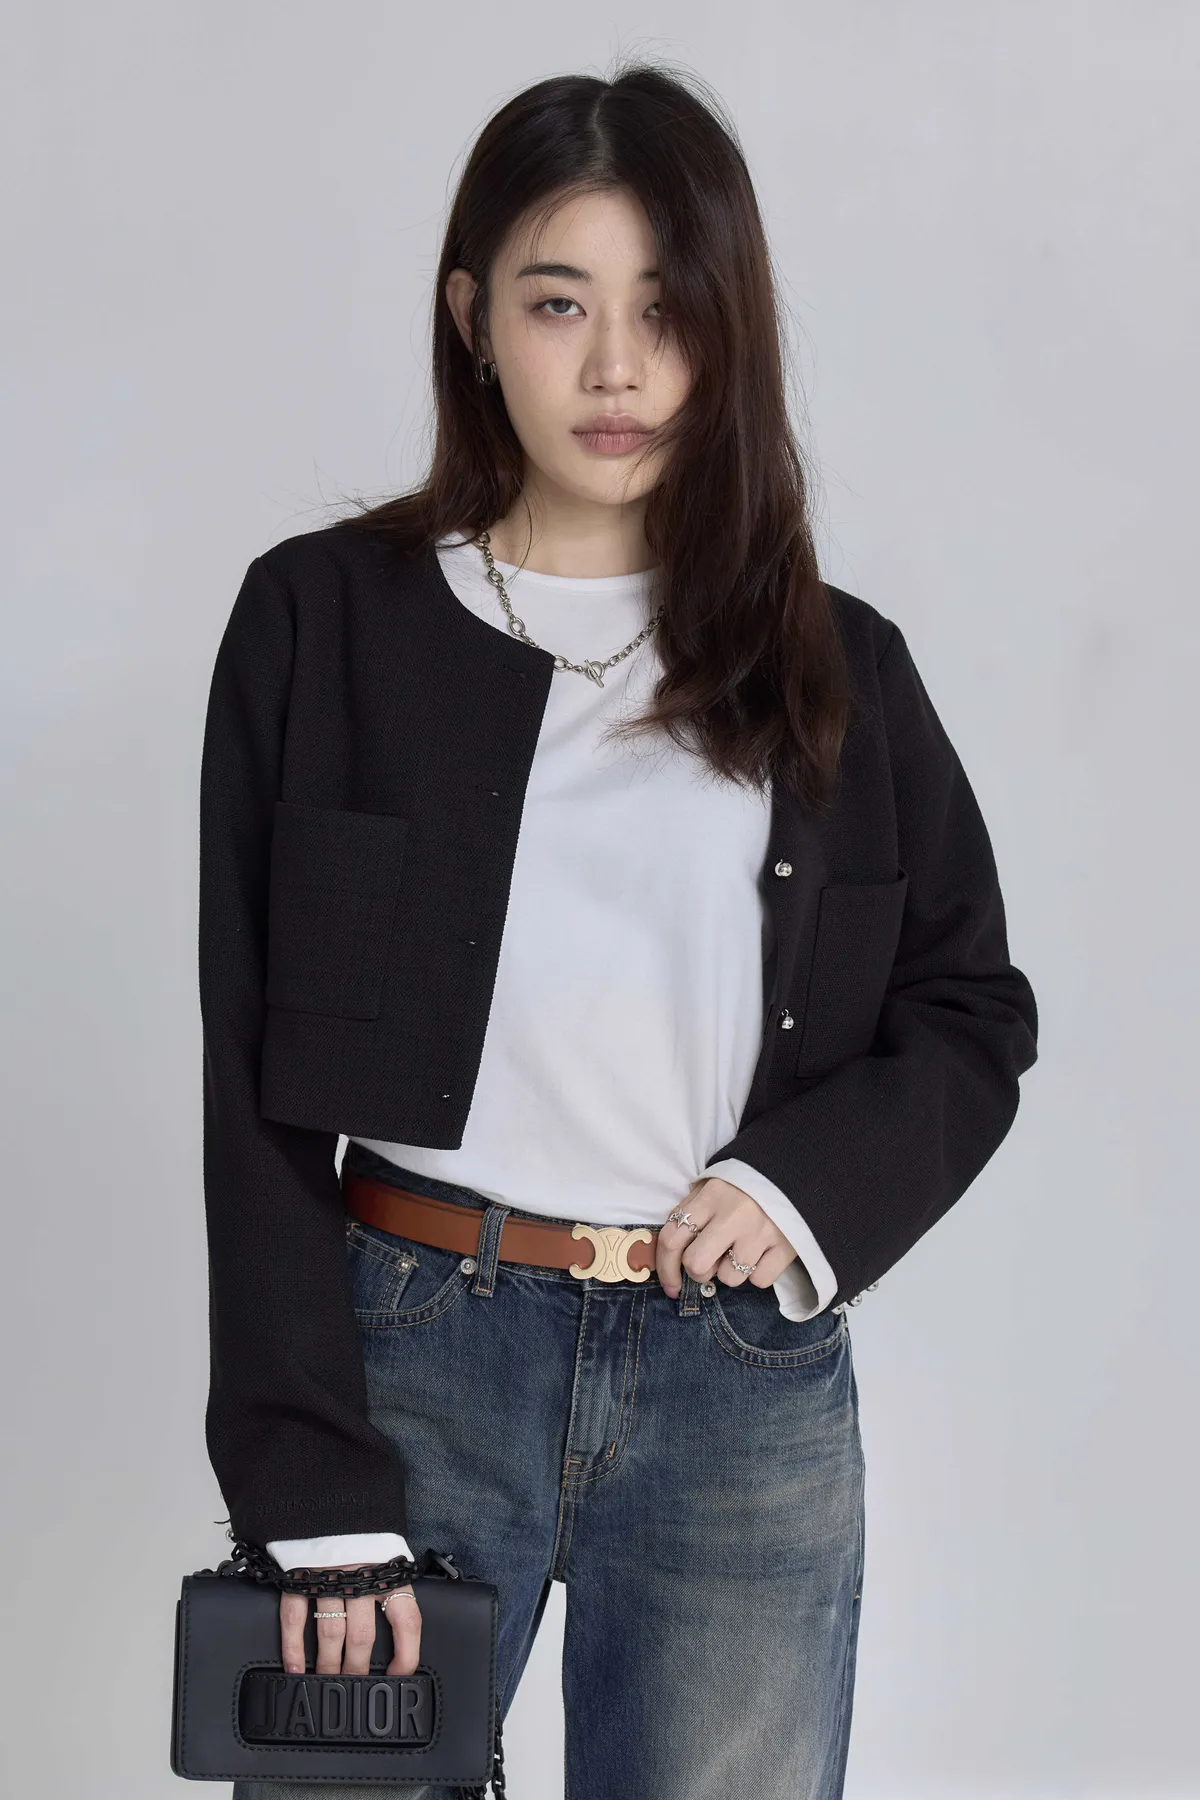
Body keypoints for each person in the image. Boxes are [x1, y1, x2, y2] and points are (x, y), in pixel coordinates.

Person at [198, 61, 1039, 1800]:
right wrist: (306, 1475)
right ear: (470, 318)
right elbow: (248, 1073)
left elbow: (970, 1007)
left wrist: (804, 1189)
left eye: (667, 310)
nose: (616, 369)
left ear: (727, 335)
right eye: (558, 301)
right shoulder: (320, 624)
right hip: (415, 1354)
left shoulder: (836, 665)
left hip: (738, 1383)